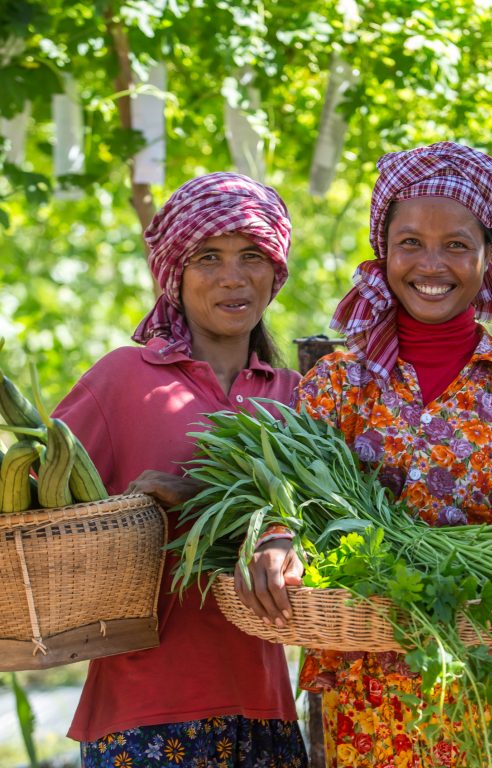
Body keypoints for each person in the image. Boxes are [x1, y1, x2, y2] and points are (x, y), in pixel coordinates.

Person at [236, 142, 492, 767]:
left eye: (456, 244)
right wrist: (277, 534)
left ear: (488, 254)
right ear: (383, 250)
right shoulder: (338, 382)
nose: (431, 263)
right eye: (410, 242)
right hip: (369, 695)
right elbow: (290, 501)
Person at [53, 173, 308, 768]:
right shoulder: (120, 380)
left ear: (275, 271)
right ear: (176, 273)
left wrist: (197, 498)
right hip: (142, 708)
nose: (232, 277)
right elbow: (44, 508)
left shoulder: (297, 399)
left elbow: (324, 534)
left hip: (265, 708)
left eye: (252, 256)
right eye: (208, 258)